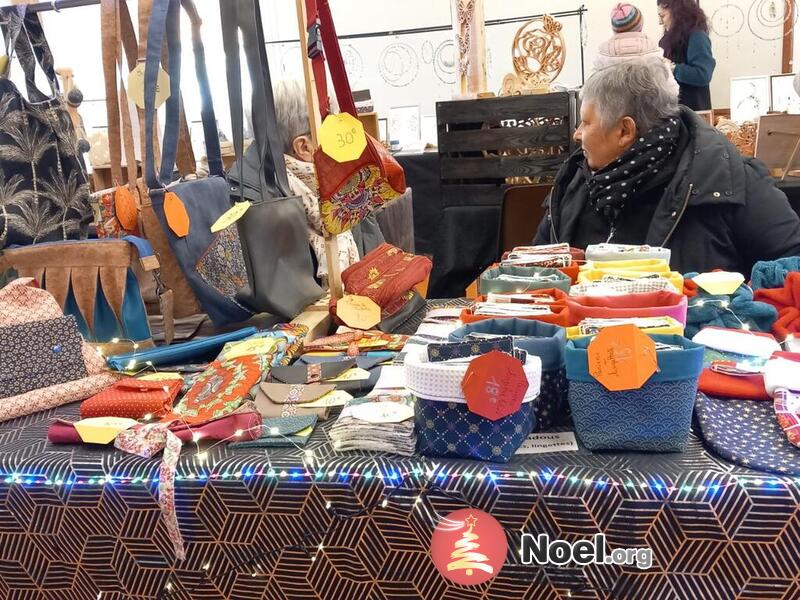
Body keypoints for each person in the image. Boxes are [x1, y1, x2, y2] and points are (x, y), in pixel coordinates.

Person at [532, 60, 800, 275]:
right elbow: (533, 270)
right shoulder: (574, 184)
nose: (577, 135)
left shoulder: (729, 183)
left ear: (625, 131)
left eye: (586, 123)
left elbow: (793, 270)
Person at [273, 80, 383, 287]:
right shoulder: (287, 212)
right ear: (304, 147)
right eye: (332, 129)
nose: (342, 137)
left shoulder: (335, 191)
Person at [657, 0, 715, 110]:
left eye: (662, 16)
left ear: (677, 13)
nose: (660, 22)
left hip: (693, 115)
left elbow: (703, 75)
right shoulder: (665, 41)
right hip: (673, 112)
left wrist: (672, 68)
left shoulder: (697, 37)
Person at [595, 4, 669, 73]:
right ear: (640, 26)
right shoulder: (653, 48)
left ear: (615, 29)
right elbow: (670, 85)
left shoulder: (603, 52)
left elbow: (593, 83)